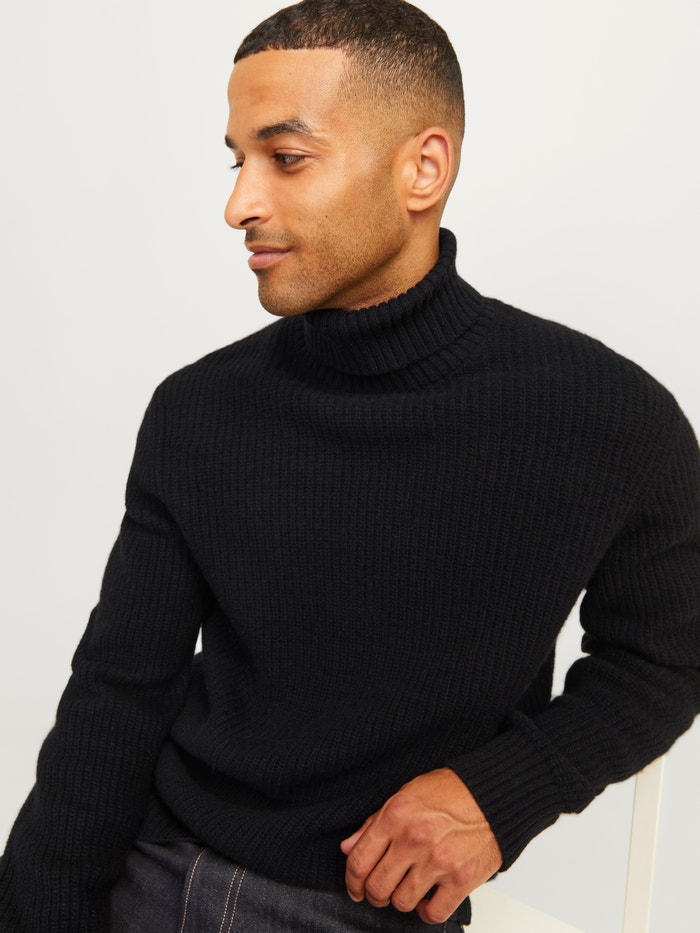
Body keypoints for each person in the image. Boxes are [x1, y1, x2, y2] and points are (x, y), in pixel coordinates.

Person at [1, 0, 699, 930]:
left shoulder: (611, 418)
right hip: (153, 875)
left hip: (373, 909)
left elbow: (666, 654)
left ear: (423, 168)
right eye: (237, 160)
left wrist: (504, 791)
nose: (239, 205)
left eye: (286, 158)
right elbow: (117, 695)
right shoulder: (199, 409)